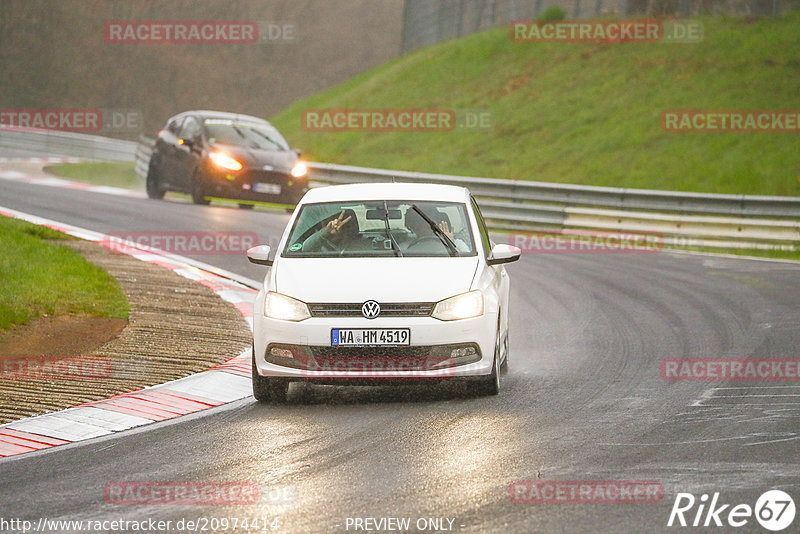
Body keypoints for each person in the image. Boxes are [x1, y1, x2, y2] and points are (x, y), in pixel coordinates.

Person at [404, 208, 470, 254]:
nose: (425, 227)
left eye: (431, 225)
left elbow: (469, 262)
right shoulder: (405, 245)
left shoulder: (458, 244)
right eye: (419, 225)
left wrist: (451, 244)